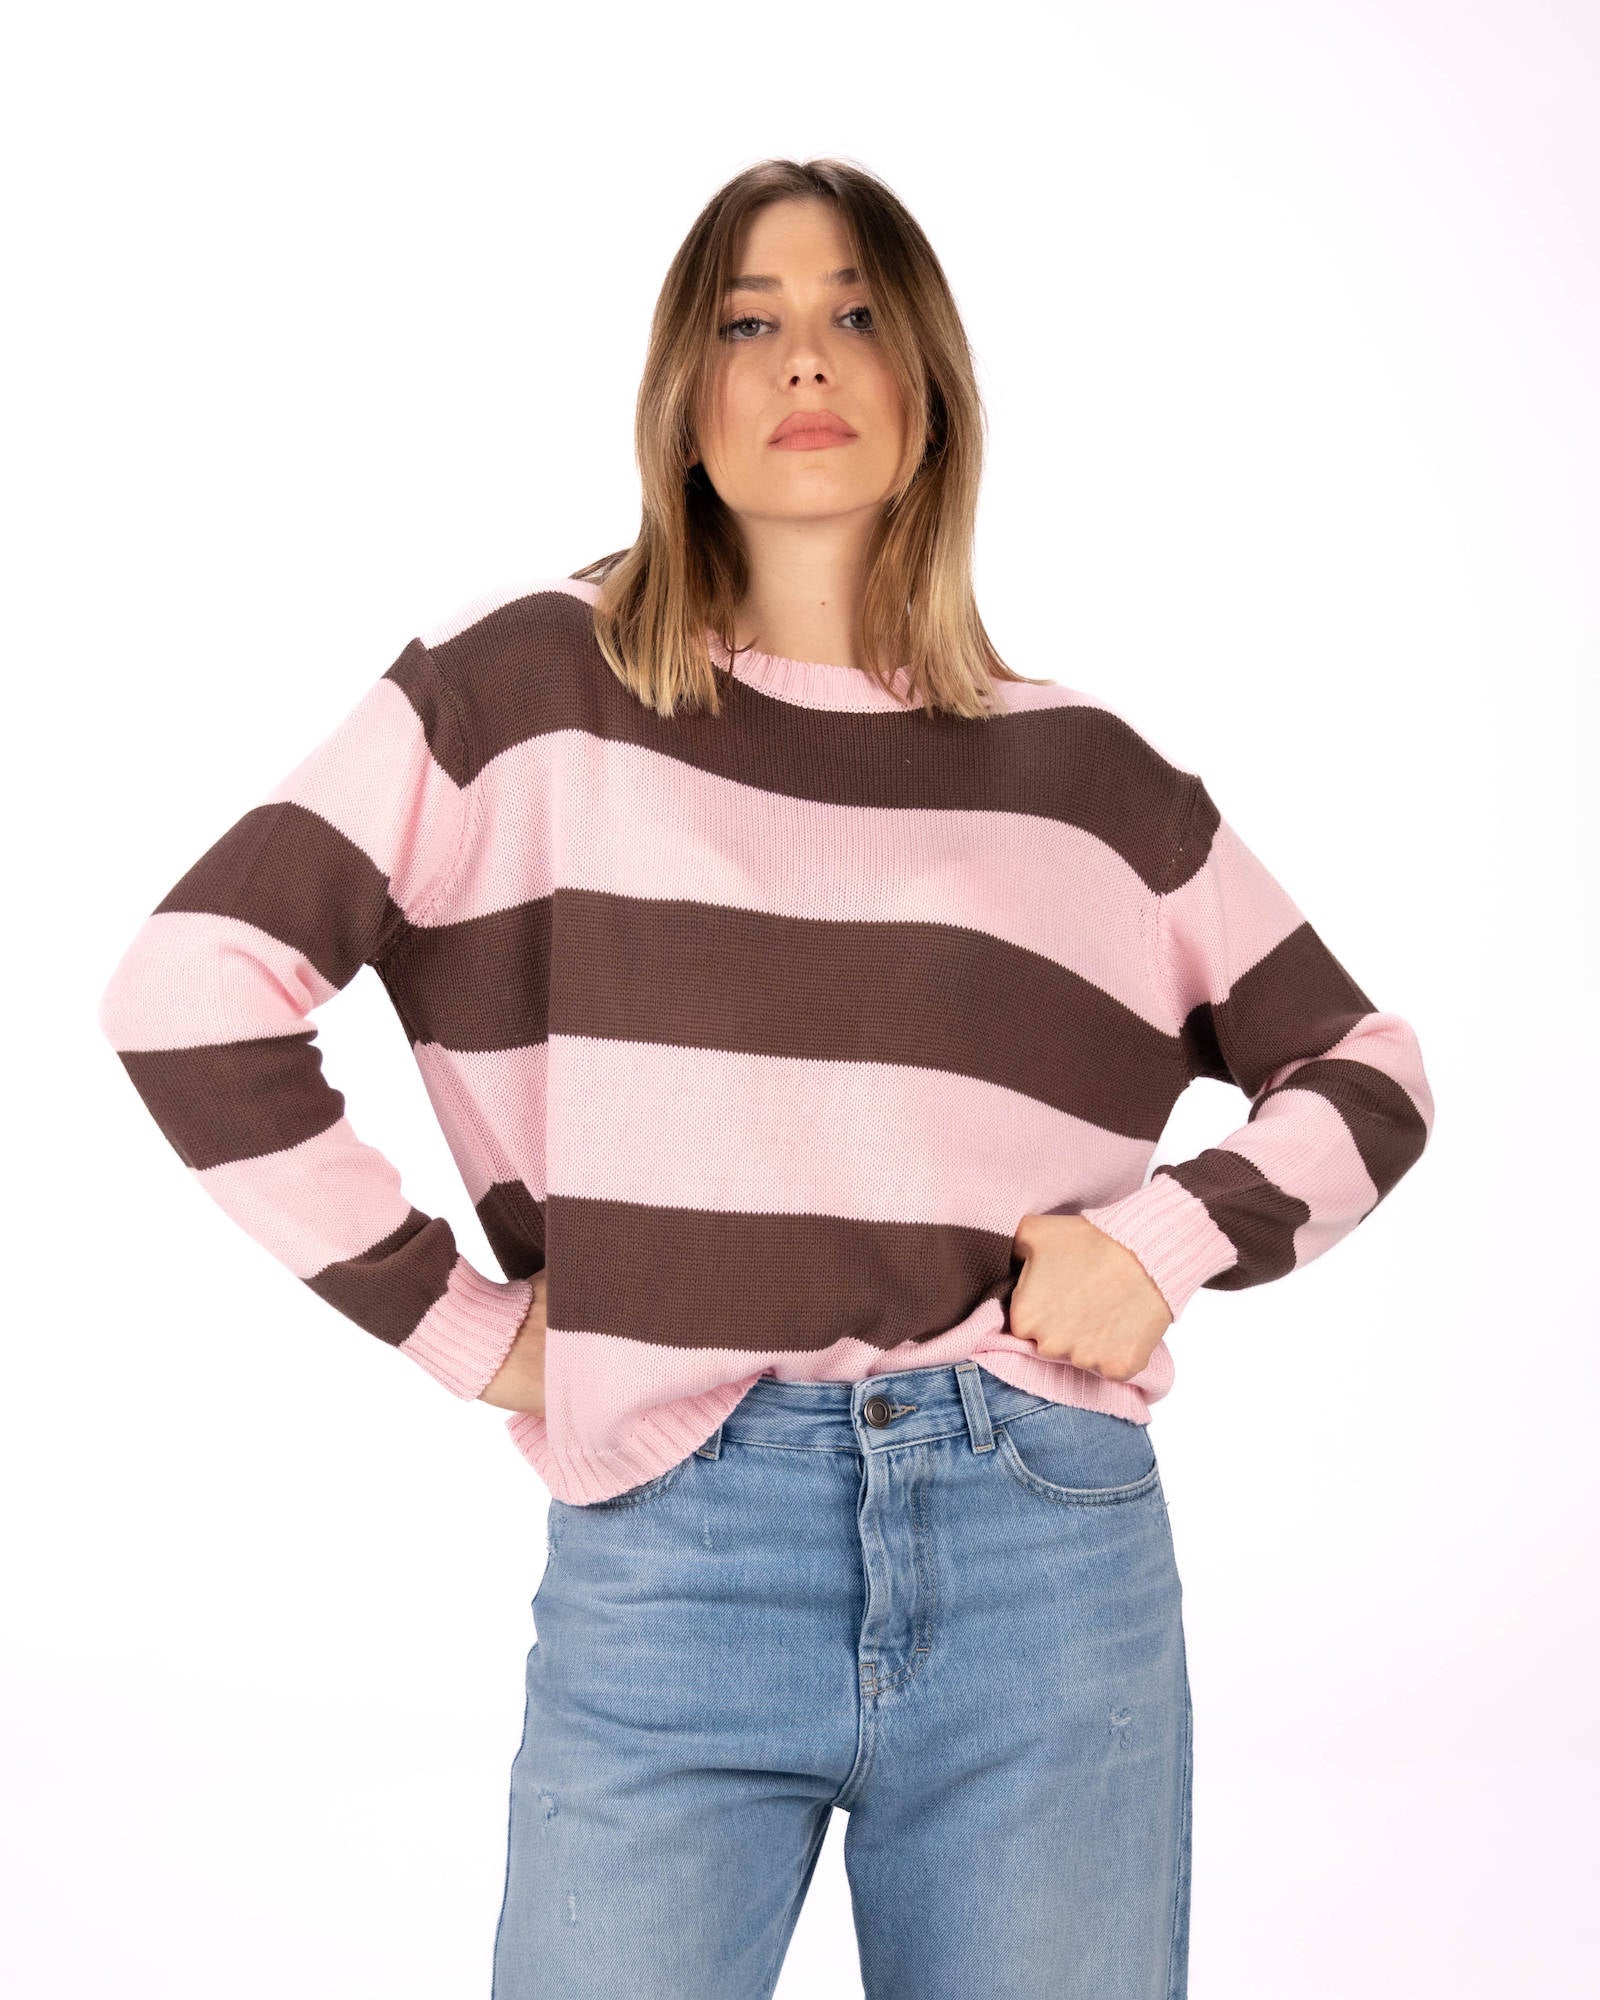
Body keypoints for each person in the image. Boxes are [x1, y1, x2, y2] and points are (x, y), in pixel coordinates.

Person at [97, 158, 1434, 1999]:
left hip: (1042, 1550)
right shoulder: (526, 689)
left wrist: (1167, 1244)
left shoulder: (1092, 782)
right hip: (677, 1546)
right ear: (684, 394)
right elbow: (188, 992)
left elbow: (1366, 1071)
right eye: (749, 319)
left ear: (930, 387)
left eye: (855, 312)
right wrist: (464, 1330)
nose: (805, 355)